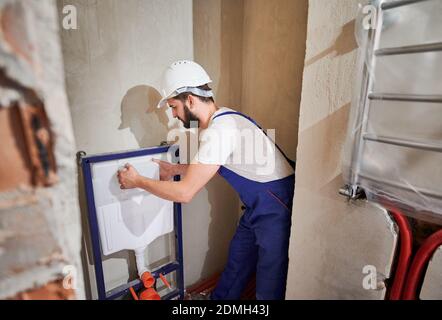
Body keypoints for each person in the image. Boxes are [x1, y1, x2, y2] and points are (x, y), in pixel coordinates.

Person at [117, 60, 295, 300]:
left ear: (190, 100)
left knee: (269, 281)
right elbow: (211, 164)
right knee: (238, 259)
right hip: (261, 203)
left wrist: (137, 181)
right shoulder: (221, 119)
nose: (173, 116)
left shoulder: (220, 130)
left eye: (173, 107)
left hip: (276, 204)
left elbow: (185, 193)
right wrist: (175, 169)